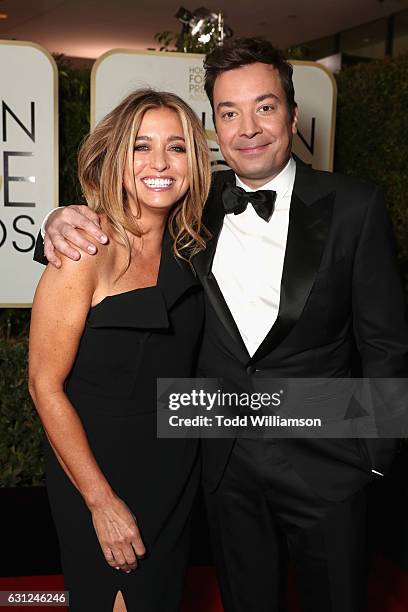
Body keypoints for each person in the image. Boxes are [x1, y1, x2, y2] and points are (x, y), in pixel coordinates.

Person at [36, 39, 408, 612]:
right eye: (230, 112)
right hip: (220, 468)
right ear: (215, 126)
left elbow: (385, 343)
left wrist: (374, 458)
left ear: (292, 114)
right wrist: (58, 218)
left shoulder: (355, 207)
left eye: (265, 107)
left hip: (329, 469)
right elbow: (118, 224)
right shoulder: (196, 208)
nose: (249, 127)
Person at [29, 89, 211, 612]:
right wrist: (100, 502)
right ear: (115, 157)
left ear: (194, 163)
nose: (159, 163)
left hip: (174, 470)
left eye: (176, 147)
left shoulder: (192, 243)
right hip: (101, 473)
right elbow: (44, 385)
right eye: (140, 146)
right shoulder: (84, 250)